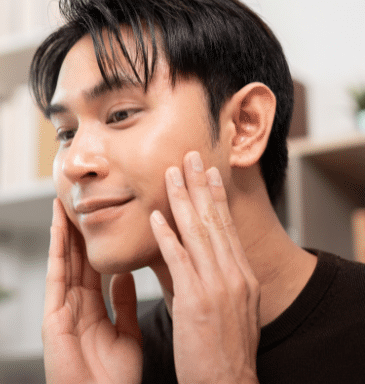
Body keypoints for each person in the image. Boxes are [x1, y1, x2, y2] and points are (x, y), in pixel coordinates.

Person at [28, 0, 365, 382]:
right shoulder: (113, 363)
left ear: (244, 125)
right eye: (66, 133)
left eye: (120, 114)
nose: (74, 164)